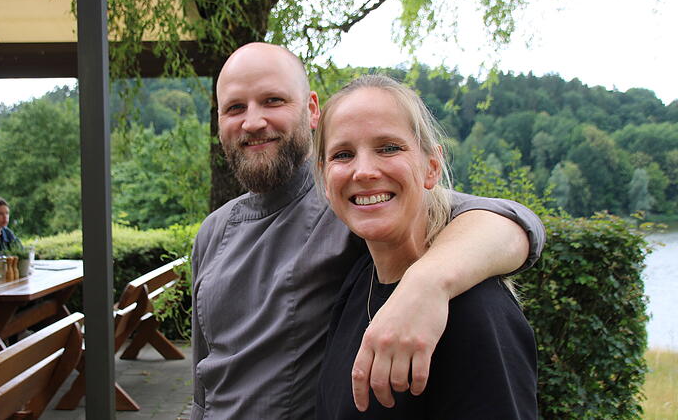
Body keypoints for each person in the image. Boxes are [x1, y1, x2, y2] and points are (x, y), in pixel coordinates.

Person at [191, 43, 544, 419]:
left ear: (312, 109)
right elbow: (204, 383)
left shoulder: (353, 204)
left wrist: (427, 283)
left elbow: (510, 221)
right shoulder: (213, 232)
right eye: (234, 108)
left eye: (273, 100)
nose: (253, 121)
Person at [314, 75, 537, 418]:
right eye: (343, 154)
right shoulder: (360, 280)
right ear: (326, 181)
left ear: (431, 167)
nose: (364, 171)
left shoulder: (477, 311)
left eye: (388, 148)